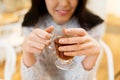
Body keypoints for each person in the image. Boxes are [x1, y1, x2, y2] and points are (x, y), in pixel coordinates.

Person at [21, 0, 105, 80]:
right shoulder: (32, 25)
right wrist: (27, 52)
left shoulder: (92, 27)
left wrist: (91, 57)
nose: (64, 4)